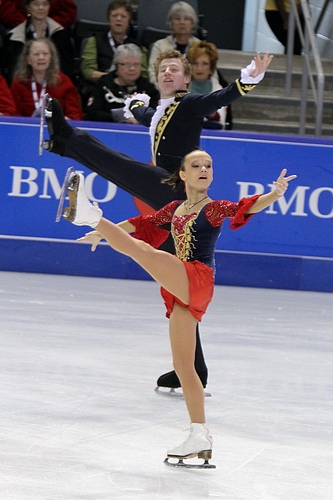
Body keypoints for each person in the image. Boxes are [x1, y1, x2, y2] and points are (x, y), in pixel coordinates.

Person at [41, 50, 273, 392]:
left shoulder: (191, 103)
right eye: (162, 68)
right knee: (175, 289)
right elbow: (145, 111)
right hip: (174, 208)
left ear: (185, 78)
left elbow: (222, 96)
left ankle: (64, 138)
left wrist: (249, 78)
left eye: (174, 69)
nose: (167, 72)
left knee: (120, 166)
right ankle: (194, 369)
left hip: (176, 188)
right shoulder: (159, 110)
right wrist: (135, 104)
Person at [57, 149, 297, 464]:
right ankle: (199, 434)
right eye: (195, 165)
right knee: (184, 366)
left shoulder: (212, 208)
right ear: (182, 175)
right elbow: (141, 222)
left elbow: (243, 207)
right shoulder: (176, 208)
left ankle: (90, 214)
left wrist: (274, 195)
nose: (203, 169)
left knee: (142, 252)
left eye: (208, 165)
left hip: (196, 278)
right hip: (180, 288)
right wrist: (101, 234)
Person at [2, 0, 75, 84]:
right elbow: (12, 72)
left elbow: (67, 68)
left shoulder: (60, 35)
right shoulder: (14, 38)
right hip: (23, 87)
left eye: (45, 4)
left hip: (55, 86)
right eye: (36, 4)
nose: (41, 8)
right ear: (28, 7)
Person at [85, 44, 159, 123]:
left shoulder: (148, 88)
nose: (132, 68)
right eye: (127, 64)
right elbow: (92, 114)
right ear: (116, 65)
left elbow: (156, 115)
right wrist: (118, 118)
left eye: (136, 64)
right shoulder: (104, 84)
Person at [11, 38, 83, 119]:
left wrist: (62, 121)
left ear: (51, 58)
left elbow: (75, 115)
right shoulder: (19, 82)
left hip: (56, 130)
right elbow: (13, 113)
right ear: (28, 59)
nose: (41, 57)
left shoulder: (63, 81)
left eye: (45, 54)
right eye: (36, 54)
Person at [148, 1, 200, 87]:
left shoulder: (201, 47)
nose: (182, 22)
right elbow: (153, 75)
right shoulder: (159, 46)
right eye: (177, 18)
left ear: (192, 22)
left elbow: (212, 77)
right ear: (171, 22)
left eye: (186, 19)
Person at [187, 40, 232, 130]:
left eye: (205, 64)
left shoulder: (221, 92)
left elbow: (219, 121)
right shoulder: (177, 89)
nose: (199, 68)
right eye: (195, 63)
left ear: (211, 68)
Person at [0, 0, 77, 30]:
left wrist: (48, 26)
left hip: (52, 30)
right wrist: (26, 26)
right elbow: (5, 7)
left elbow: (68, 12)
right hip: (18, 27)